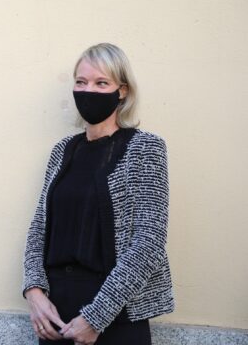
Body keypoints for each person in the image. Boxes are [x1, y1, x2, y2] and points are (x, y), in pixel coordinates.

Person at [22, 43, 174, 344]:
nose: (88, 90)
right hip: (55, 315)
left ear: (122, 91)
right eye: (81, 82)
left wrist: (96, 318)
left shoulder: (145, 148)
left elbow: (150, 241)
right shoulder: (63, 151)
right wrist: (34, 292)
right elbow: (39, 227)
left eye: (101, 83)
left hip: (117, 311)